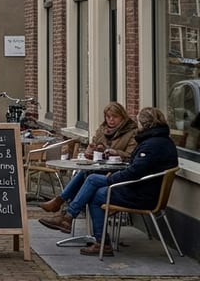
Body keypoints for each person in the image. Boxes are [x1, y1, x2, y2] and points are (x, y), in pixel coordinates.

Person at [39, 106, 179, 256]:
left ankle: (80, 226)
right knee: (91, 177)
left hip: (142, 194)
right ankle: (69, 218)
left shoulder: (152, 145)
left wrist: (111, 179)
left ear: (145, 125)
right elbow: (137, 169)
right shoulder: (160, 141)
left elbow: (135, 171)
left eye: (139, 122)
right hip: (143, 189)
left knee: (95, 190)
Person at [39, 102, 137, 212]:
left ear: (123, 117)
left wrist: (115, 152)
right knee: (85, 172)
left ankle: (63, 205)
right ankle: (64, 207)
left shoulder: (132, 132)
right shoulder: (102, 130)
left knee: (88, 175)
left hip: (117, 172)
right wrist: (90, 152)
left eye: (115, 117)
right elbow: (93, 150)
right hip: (101, 168)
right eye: (108, 117)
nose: (111, 120)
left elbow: (131, 155)